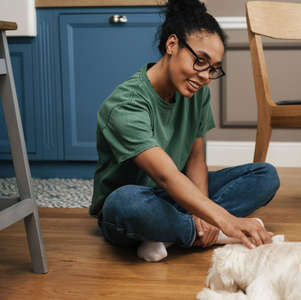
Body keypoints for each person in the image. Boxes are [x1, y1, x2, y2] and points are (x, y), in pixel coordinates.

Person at [89, 0, 280, 262]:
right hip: (135, 200)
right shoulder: (124, 104)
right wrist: (227, 221)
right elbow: (165, 176)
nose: (205, 76)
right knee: (126, 203)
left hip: (177, 195)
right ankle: (214, 234)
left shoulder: (197, 94)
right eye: (200, 61)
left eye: (213, 68)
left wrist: (202, 213)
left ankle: (171, 232)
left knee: (265, 175)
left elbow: (196, 160)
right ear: (172, 45)